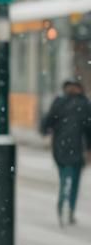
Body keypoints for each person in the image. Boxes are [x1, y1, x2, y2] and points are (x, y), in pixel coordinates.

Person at [40, 77, 91, 226]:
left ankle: (63, 204)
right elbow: (89, 129)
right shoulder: (84, 103)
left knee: (65, 178)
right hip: (76, 148)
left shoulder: (60, 102)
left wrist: (45, 132)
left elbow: (47, 121)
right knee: (73, 180)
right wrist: (88, 149)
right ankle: (68, 207)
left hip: (60, 147)